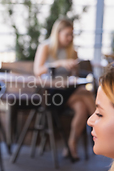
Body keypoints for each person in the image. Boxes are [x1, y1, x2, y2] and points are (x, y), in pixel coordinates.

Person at [33, 18, 95, 162]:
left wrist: (74, 68)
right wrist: (59, 63)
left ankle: (71, 144)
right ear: (58, 33)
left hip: (68, 91)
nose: (70, 38)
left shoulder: (72, 51)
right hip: (51, 93)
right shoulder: (46, 47)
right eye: (67, 34)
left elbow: (74, 77)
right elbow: (37, 71)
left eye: (71, 35)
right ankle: (99, 121)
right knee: (85, 93)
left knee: (81, 108)